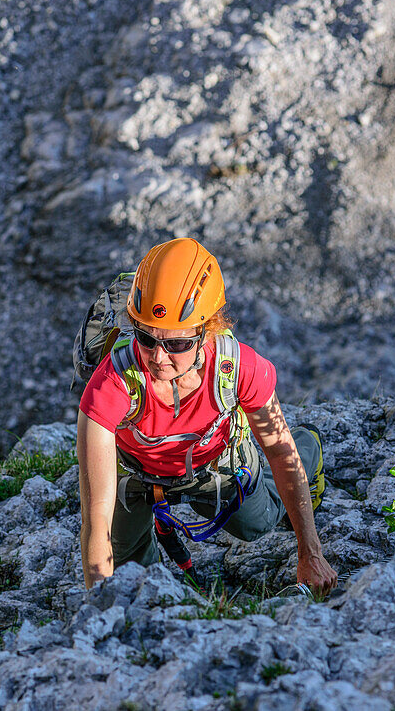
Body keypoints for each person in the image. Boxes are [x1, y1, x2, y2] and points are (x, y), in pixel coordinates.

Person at [77, 237, 338, 595]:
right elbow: (97, 516)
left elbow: (279, 452)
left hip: (213, 462)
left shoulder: (240, 367)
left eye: (178, 344)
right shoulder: (112, 383)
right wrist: (101, 612)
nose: (158, 357)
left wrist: (311, 553)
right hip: (137, 473)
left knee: (257, 525)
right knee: (130, 575)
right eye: (145, 338)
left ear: (208, 329)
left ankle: (311, 447)